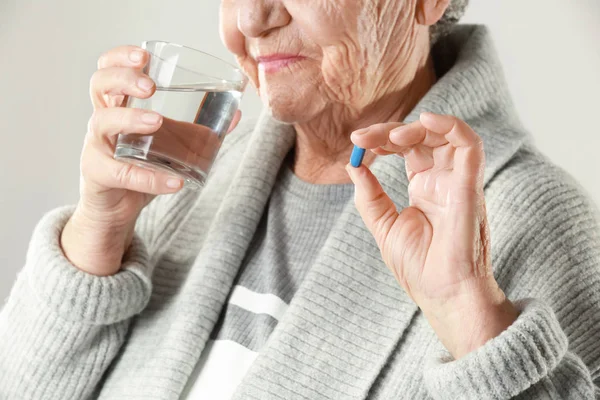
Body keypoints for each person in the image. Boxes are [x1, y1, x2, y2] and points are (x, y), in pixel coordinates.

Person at [1, 0, 599, 399]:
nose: (255, 16)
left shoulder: (540, 224)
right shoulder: (186, 179)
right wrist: (94, 237)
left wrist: (473, 321)